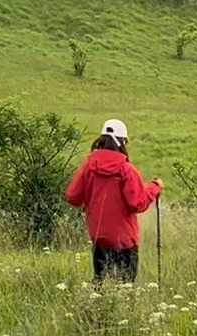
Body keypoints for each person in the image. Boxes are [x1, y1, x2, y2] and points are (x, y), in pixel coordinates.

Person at [65, 118, 161, 283]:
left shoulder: (89, 166)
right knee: (126, 287)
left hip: (99, 237)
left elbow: (73, 197)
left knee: (100, 284)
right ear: (122, 142)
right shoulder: (126, 170)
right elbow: (137, 203)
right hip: (125, 240)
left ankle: (98, 307)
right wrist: (155, 188)